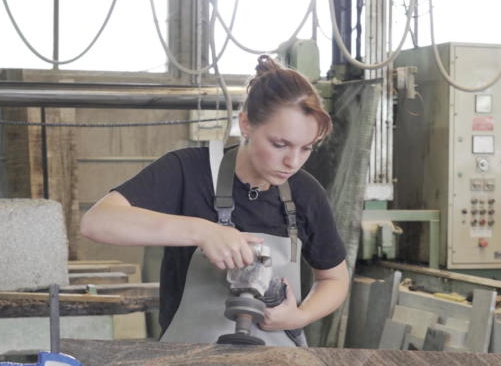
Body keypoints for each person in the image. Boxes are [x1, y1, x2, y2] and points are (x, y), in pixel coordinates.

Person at [80, 55, 349, 346]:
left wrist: (299, 316)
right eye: (279, 144)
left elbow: (334, 279)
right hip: (189, 357)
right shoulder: (187, 171)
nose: (292, 162)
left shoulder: (306, 193)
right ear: (245, 124)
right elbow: (98, 222)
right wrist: (202, 231)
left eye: (305, 148)